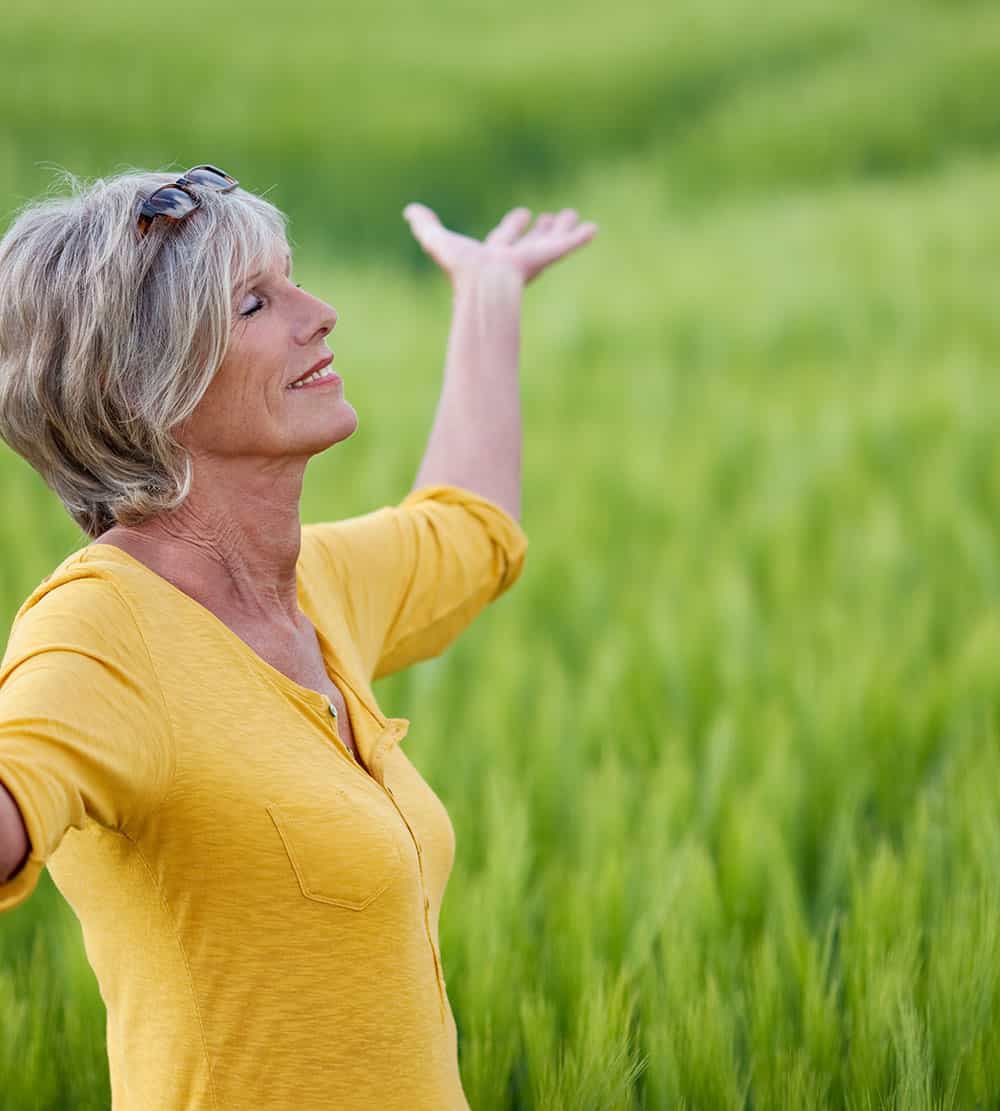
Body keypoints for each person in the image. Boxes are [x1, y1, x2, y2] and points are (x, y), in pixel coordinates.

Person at [0, 165, 597, 1110]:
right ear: (138, 386)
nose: (319, 314)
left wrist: (487, 295)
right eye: (253, 303)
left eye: (293, 280)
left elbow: (468, 530)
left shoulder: (309, 587)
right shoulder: (101, 633)